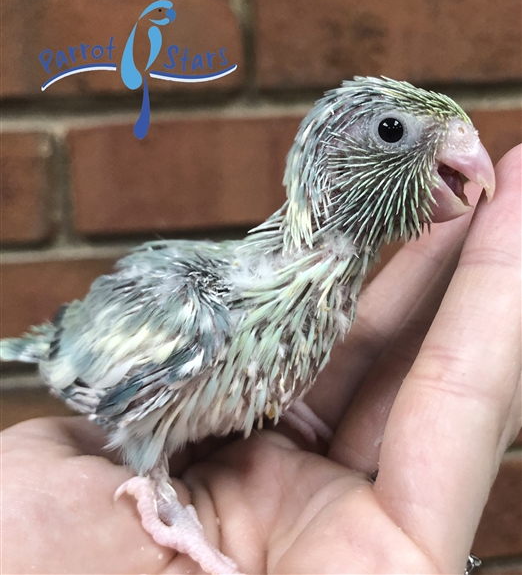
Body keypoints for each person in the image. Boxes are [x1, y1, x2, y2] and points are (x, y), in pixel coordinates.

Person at [1, 146, 520, 575]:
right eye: (392, 132)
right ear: (336, 161)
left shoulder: (328, 300)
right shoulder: (194, 309)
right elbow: (115, 395)